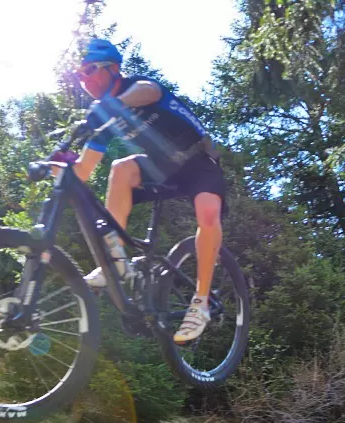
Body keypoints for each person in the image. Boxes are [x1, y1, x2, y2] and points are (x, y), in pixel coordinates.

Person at [54, 38, 226, 344]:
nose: (84, 80)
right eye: (79, 75)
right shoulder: (104, 119)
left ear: (113, 68)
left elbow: (151, 91)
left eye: (89, 70)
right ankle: (115, 262)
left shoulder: (137, 87)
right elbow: (84, 171)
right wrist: (57, 168)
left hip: (197, 159)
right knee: (121, 168)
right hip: (161, 169)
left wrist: (114, 105)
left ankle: (200, 302)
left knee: (208, 213)